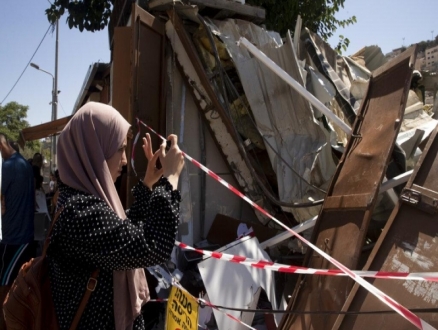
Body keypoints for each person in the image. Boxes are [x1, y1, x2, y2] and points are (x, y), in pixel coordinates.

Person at [47, 102, 184, 330]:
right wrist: (171, 180)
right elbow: (151, 245)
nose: (123, 160)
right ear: (94, 151)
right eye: (120, 149)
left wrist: (148, 183)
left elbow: (122, 234)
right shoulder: (79, 212)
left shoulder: (81, 202)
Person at [0, 133, 36, 330]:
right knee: (18, 289)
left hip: (12, 239)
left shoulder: (7, 167)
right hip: (25, 237)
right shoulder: (23, 163)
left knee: (5, 289)